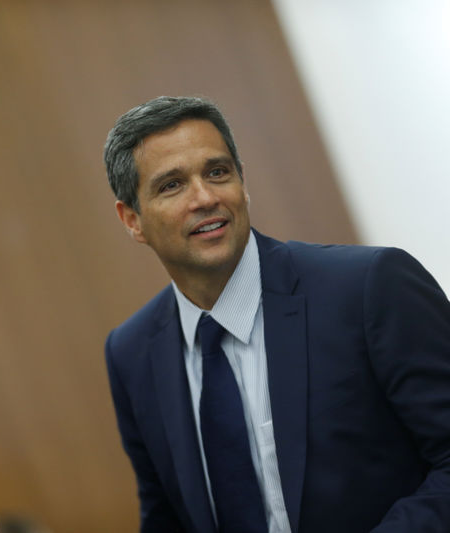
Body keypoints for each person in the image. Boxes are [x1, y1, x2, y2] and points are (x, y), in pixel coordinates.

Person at [102, 96, 450, 532]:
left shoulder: (368, 287)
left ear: (242, 184)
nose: (205, 198)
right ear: (132, 220)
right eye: (171, 185)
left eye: (217, 172)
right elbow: (167, 518)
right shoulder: (131, 352)